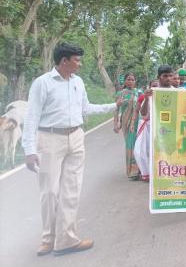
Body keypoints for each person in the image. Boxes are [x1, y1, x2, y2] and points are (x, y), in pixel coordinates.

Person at [21, 43, 122, 256]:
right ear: (64, 60)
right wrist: (29, 149)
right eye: (77, 60)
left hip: (76, 137)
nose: (80, 64)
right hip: (49, 138)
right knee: (49, 192)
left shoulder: (78, 82)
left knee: (71, 191)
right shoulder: (42, 83)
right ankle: (48, 239)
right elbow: (31, 117)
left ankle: (66, 239)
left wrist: (113, 106)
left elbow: (85, 108)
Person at [113, 73, 143, 180]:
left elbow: (143, 107)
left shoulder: (139, 93)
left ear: (135, 81)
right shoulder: (120, 94)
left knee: (137, 145)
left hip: (137, 122)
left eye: (132, 79)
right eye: (128, 79)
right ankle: (131, 171)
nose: (130, 81)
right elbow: (116, 109)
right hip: (126, 123)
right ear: (125, 81)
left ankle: (139, 170)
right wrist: (116, 123)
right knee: (130, 145)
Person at [133, 79, 159, 182]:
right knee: (141, 151)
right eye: (153, 86)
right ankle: (146, 173)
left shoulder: (165, 96)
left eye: (157, 86)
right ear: (149, 87)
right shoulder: (144, 97)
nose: (155, 88)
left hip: (159, 127)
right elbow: (142, 113)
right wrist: (147, 99)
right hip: (146, 126)